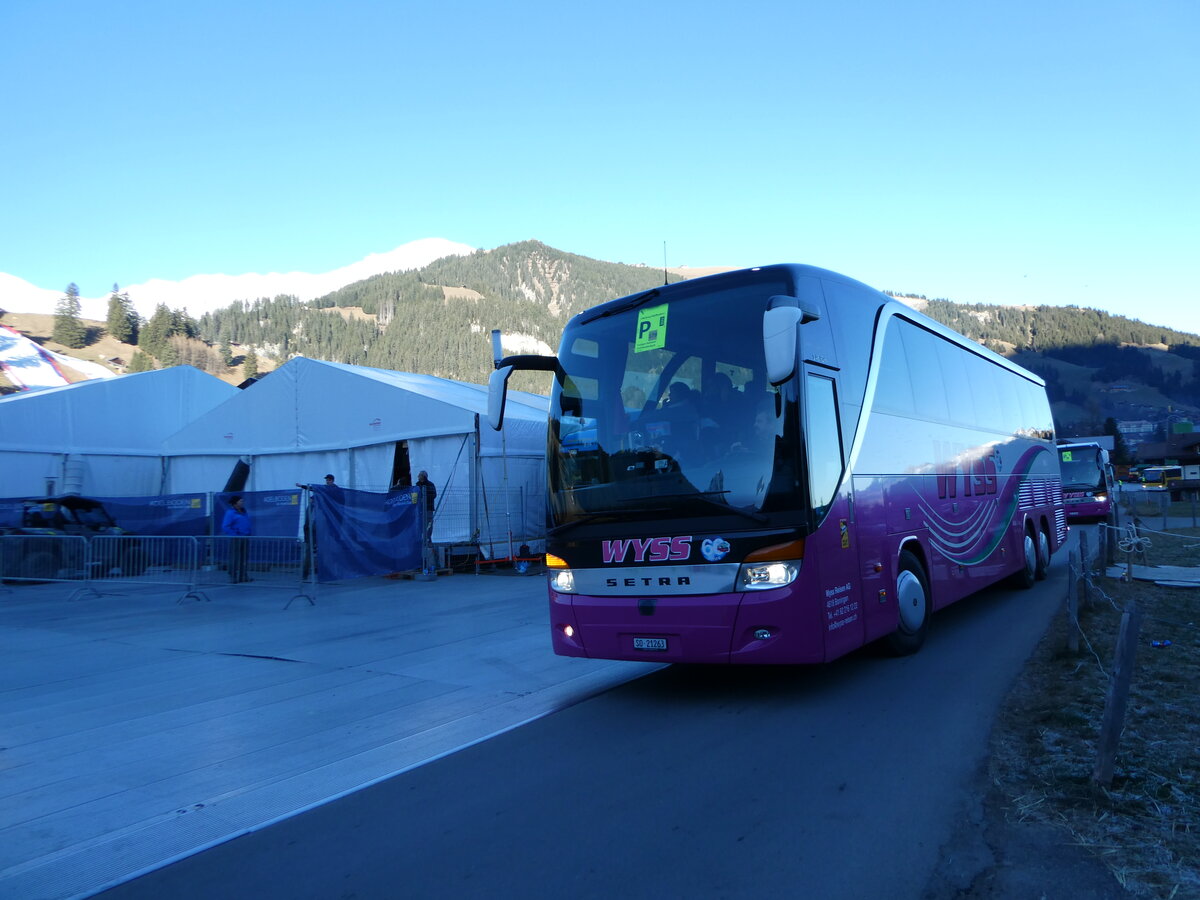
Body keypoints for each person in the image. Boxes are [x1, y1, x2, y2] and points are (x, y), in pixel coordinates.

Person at [221, 495, 252, 583]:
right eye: (240, 501)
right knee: (234, 557)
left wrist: (248, 532)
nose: (242, 503)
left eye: (242, 501)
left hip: (245, 537)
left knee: (244, 558)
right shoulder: (230, 513)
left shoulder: (243, 511)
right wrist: (235, 534)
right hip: (236, 538)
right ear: (235, 503)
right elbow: (225, 526)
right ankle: (232, 576)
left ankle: (243, 575)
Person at [415, 470, 436, 539]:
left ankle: (428, 539)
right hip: (419, 508)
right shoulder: (417, 485)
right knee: (420, 524)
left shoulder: (430, 485)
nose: (418, 476)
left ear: (423, 476)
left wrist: (424, 498)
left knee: (428, 524)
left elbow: (433, 495)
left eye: (419, 475)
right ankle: (420, 539)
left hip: (428, 508)